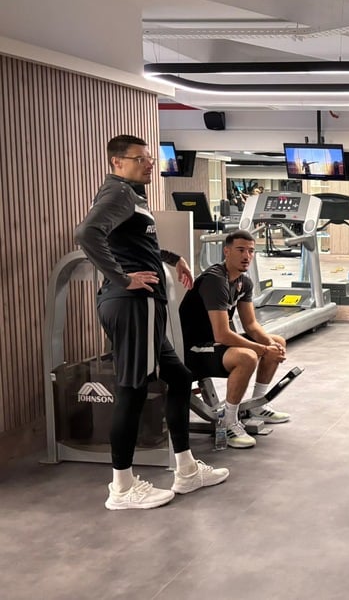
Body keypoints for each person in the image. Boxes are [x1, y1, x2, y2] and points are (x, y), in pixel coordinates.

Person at [74, 134, 229, 511]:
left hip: (142, 306)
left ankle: (187, 470)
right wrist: (123, 278)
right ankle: (122, 487)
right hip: (132, 304)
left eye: (149, 158)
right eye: (140, 159)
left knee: (178, 377)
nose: (149, 164)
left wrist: (173, 258)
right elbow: (87, 234)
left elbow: (132, 243)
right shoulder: (118, 194)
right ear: (117, 163)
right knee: (133, 389)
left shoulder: (129, 197)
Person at [177, 230, 290, 448]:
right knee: (247, 357)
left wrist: (270, 345)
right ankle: (229, 422)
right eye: (240, 250)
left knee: (277, 340)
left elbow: (251, 325)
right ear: (226, 251)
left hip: (215, 345)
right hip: (193, 350)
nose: (246, 256)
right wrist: (263, 350)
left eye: (250, 251)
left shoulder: (243, 282)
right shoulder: (214, 281)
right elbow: (222, 334)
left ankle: (256, 405)